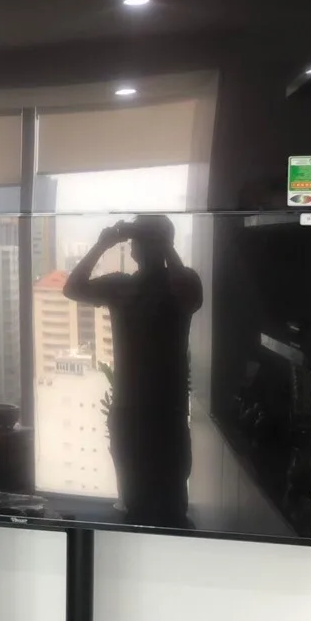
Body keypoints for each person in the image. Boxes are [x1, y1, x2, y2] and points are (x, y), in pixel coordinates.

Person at [63, 215, 202, 528]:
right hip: (136, 412)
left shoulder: (181, 283)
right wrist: (103, 243)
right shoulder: (121, 286)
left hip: (163, 414)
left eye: (143, 236)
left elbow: (190, 297)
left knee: (169, 505)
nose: (136, 242)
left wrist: (162, 245)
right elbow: (73, 288)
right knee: (137, 502)